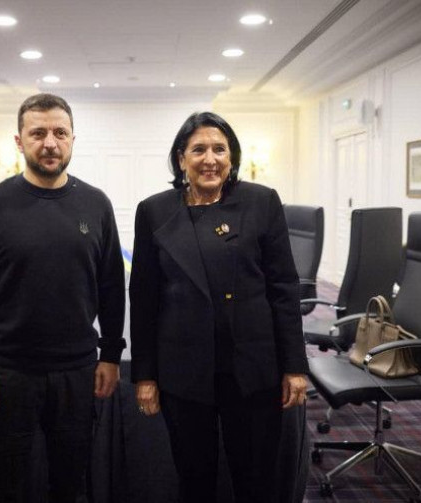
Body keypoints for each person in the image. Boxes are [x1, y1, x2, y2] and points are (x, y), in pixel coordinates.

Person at [0, 93, 126, 502]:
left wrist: (111, 355)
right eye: (38, 133)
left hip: (77, 371)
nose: (50, 143)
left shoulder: (96, 204)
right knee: (3, 487)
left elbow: (111, 287)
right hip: (9, 372)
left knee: (70, 485)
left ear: (72, 139)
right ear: (19, 141)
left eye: (60, 133)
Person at [129, 112, 309, 503]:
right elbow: (143, 298)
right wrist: (145, 375)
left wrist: (294, 365)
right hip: (184, 371)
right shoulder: (154, 210)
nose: (209, 159)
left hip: (253, 367)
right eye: (198, 150)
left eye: (219, 149)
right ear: (181, 159)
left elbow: (283, 287)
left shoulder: (262, 201)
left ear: (232, 157)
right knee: (194, 478)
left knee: (256, 479)